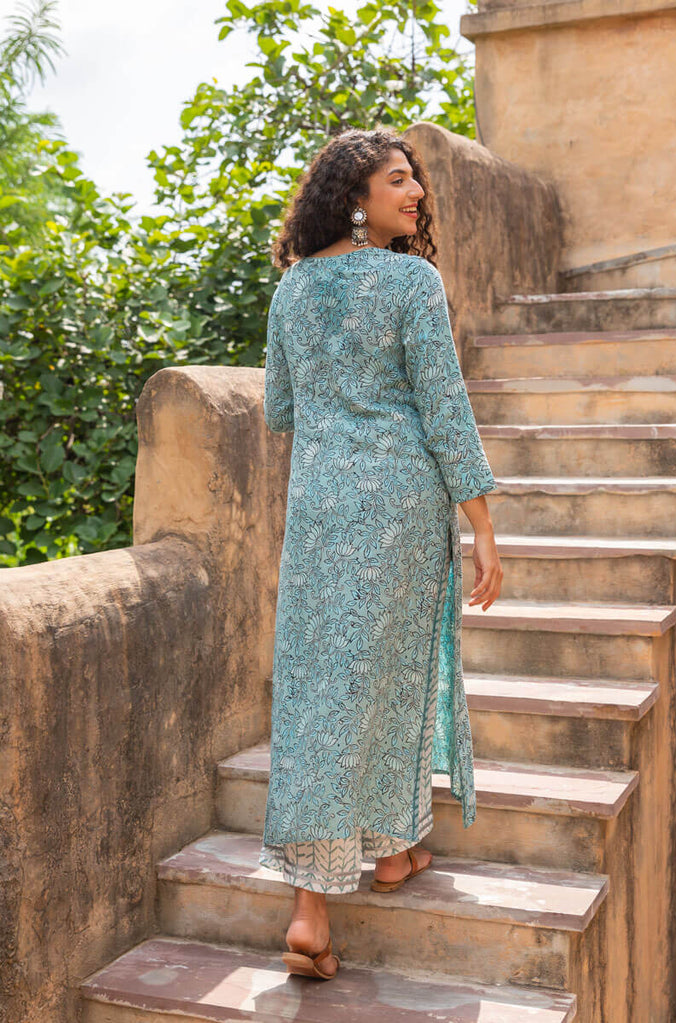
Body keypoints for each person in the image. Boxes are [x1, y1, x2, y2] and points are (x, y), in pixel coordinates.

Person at [260, 126, 502, 980]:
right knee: (393, 673)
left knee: (318, 688)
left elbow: (280, 409)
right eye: (398, 180)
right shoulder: (409, 281)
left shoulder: (291, 290)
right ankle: (373, 864)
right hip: (400, 505)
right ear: (355, 199)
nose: (416, 193)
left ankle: (334, 888)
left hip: (318, 511)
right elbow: (443, 407)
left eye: (414, 180)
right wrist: (482, 524)